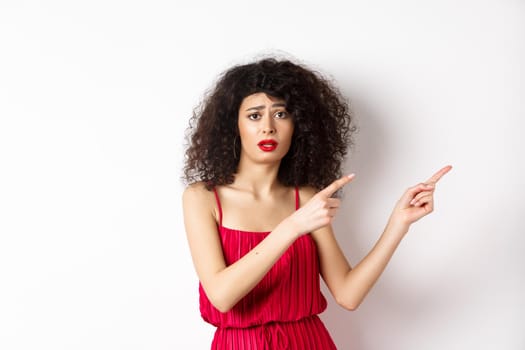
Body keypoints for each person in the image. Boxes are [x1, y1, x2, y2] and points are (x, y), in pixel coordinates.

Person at [182, 57, 452, 349]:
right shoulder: (203, 198)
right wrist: (292, 226)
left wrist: (398, 224)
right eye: (254, 115)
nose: (268, 127)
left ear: (300, 126)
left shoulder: (307, 199)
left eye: (282, 114)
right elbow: (221, 296)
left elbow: (348, 295)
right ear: (233, 126)